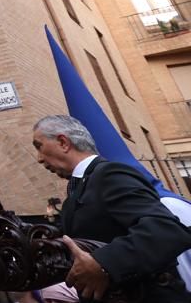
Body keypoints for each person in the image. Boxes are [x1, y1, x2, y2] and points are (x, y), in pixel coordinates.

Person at [32, 115, 191, 301]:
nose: (39, 159)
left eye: (39, 146)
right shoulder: (76, 193)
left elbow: (166, 231)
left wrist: (104, 263)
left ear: (63, 142)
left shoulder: (110, 174)